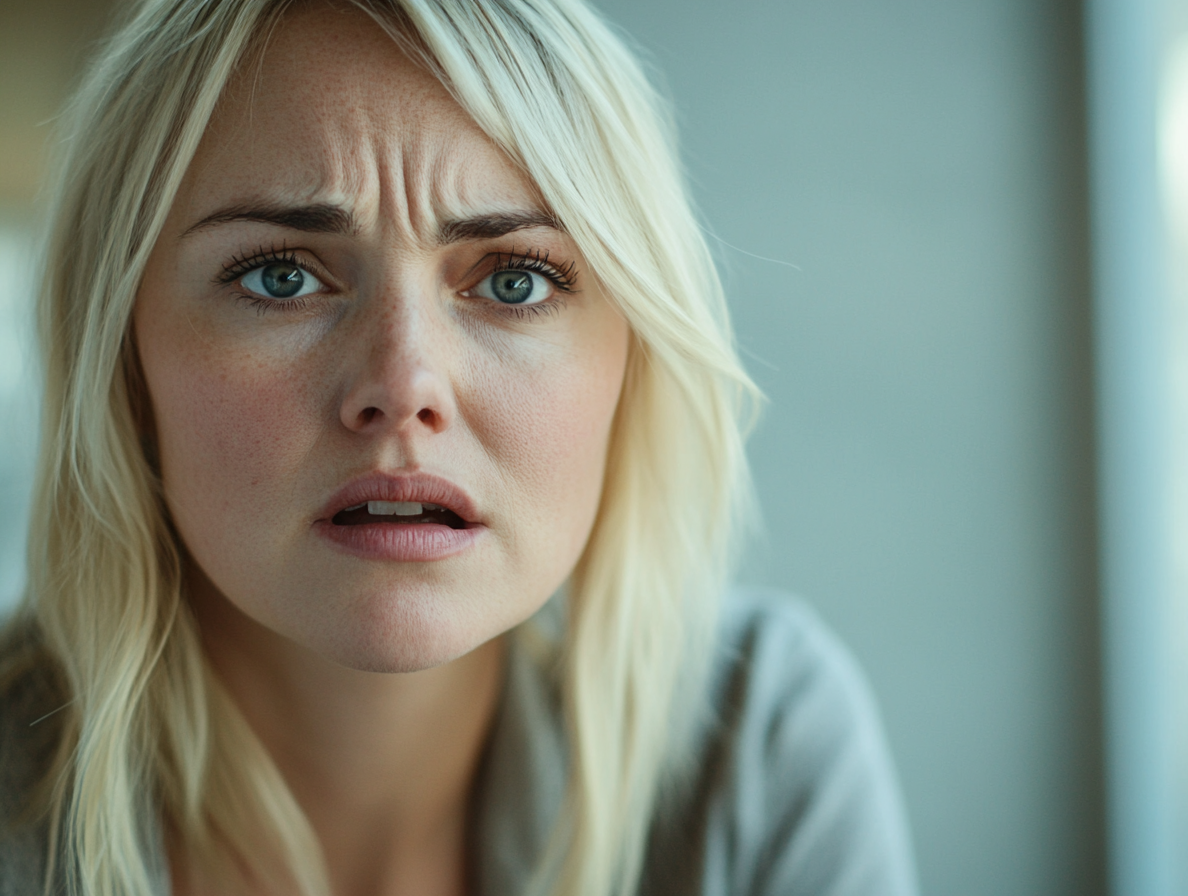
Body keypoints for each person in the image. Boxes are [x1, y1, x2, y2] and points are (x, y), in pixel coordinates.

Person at [0, 0, 920, 894]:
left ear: (631, 356)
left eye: (515, 281)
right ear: (123, 357)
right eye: (282, 277)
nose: (403, 388)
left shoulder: (754, 752)